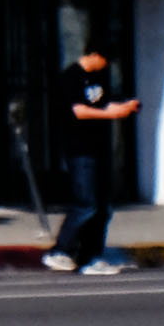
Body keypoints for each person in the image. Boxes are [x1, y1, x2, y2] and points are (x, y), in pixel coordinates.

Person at [43, 45, 144, 276]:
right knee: (85, 203)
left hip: (98, 149)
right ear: (94, 55)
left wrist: (124, 108)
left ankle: (91, 256)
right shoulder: (72, 76)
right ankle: (61, 250)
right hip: (80, 149)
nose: (105, 65)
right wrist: (111, 114)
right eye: (104, 60)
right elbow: (79, 110)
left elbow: (103, 104)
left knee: (102, 208)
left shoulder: (97, 78)